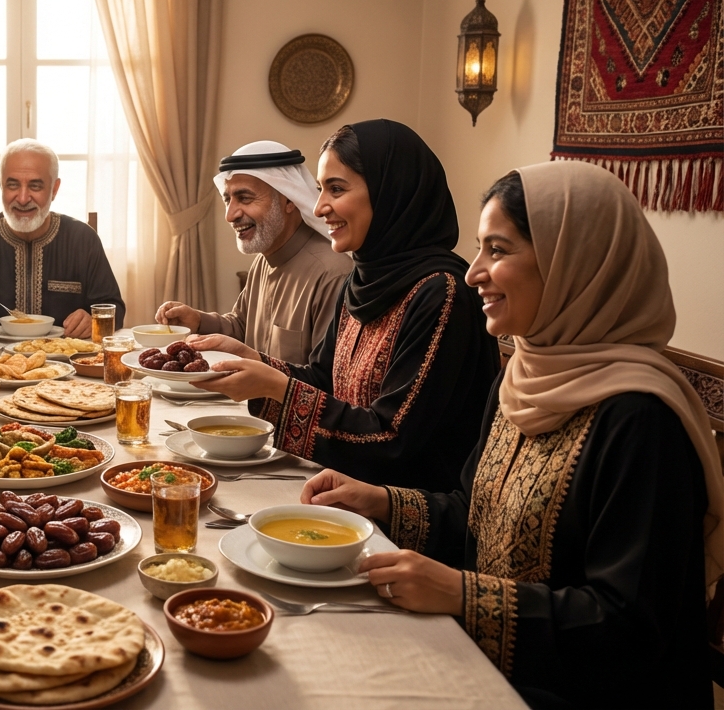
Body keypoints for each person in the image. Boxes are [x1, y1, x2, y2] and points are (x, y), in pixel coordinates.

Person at [300, 161, 721, 709]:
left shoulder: (640, 418)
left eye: (497, 251)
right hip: (492, 663)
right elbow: (475, 513)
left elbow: (629, 625)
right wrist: (379, 500)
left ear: (575, 263)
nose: (473, 272)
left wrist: (461, 595)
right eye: (479, 249)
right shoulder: (522, 375)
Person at [195, 120, 499, 493]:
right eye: (321, 189)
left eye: (336, 189)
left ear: (391, 191)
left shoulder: (441, 293)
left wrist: (279, 388)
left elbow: (392, 440)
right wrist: (255, 363)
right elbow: (326, 380)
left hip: (403, 523)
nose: (320, 207)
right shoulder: (364, 279)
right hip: (343, 491)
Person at [154, 141, 352, 364]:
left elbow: (326, 380)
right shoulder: (264, 259)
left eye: (245, 198)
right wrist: (198, 321)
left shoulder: (332, 274)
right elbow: (241, 326)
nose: (230, 215)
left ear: (289, 199)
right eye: (228, 199)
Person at [0, 139, 126, 337]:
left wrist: (92, 319)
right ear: (0, 185)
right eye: (12, 185)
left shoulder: (83, 239)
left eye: (35, 186)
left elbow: (114, 308)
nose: (22, 198)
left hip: (66, 363)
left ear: (54, 189)